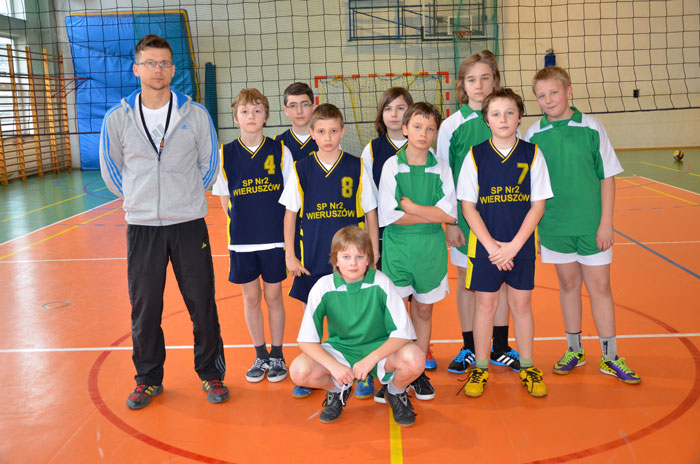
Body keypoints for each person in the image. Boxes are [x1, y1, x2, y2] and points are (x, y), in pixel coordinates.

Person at [99, 34, 228, 409]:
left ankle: (211, 373)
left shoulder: (195, 114)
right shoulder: (118, 117)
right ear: (136, 69)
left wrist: (185, 198)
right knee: (145, 308)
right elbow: (110, 168)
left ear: (173, 69)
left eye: (165, 63)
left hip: (188, 223)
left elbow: (210, 164)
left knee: (202, 303)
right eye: (151, 63)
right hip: (142, 227)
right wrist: (137, 199)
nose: (158, 69)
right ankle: (147, 379)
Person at [525, 66, 641, 384]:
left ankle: (610, 356)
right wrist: (535, 230)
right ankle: (574, 349)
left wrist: (606, 223)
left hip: (591, 226)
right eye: (541, 96)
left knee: (600, 287)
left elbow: (607, 178)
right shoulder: (533, 134)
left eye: (554, 92)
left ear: (569, 91)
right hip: (554, 226)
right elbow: (531, 187)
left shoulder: (591, 127)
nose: (548, 100)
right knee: (567, 286)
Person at [457, 88, 553, 398]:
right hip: (485, 248)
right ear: (486, 120)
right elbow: (468, 207)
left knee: (521, 305)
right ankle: (480, 367)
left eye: (510, 112)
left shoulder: (533, 154)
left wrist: (512, 247)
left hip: (520, 246)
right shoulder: (475, 156)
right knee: (485, 306)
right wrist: (492, 247)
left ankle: (528, 366)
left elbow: (538, 206)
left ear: (520, 116)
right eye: (496, 114)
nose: (503, 119)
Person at [279, 103, 379, 398]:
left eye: (333, 131)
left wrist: (373, 252)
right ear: (311, 133)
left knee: (355, 316)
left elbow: (371, 213)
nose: (328, 137)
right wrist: (290, 255)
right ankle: (316, 368)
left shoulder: (356, 166)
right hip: (311, 257)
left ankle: (362, 372)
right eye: (321, 131)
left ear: (343, 131)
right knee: (312, 317)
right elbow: (290, 215)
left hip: (351, 259)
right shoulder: (301, 169)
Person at [436, 50, 520, 375]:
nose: (479, 85)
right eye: (472, 79)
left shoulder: (505, 118)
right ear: (462, 85)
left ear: (495, 81)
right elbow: (443, 177)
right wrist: (450, 222)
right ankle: (470, 347)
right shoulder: (451, 126)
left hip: (503, 218)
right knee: (466, 282)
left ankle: (499, 347)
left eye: (486, 78)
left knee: (501, 283)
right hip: (465, 221)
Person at [289, 226, 424, 426]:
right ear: (335, 260)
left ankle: (395, 392)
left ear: (368, 259)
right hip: (341, 350)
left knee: (415, 358)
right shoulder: (323, 287)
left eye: (360, 257)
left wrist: (371, 359)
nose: (353, 263)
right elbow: (306, 341)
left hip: (379, 349)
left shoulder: (381, 283)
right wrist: (334, 366)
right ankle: (338, 390)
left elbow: (403, 334)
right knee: (299, 371)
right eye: (346, 257)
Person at [211, 88, 294, 384]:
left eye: (257, 110)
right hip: (242, 241)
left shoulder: (280, 151)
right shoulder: (224, 154)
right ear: (235, 118)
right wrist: (240, 221)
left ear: (266, 117)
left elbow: (290, 197)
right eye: (245, 111)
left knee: (273, 296)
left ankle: (277, 354)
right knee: (250, 298)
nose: (251, 116)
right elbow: (224, 197)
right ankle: (260, 354)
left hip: (273, 238)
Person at [377, 102, 457, 402]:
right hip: (398, 249)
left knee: (423, 311)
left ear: (435, 133)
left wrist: (411, 207)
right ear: (405, 129)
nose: (424, 133)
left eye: (430, 128)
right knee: (398, 315)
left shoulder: (442, 168)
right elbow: (390, 215)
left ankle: (418, 370)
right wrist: (430, 213)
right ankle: (395, 372)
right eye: (418, 127)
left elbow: (449, 215)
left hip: (430, 250)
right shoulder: (392, 166)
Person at [275, 82, 318, 162]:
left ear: (313, 107)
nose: (299, 111)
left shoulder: (327, 139)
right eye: (293, 106)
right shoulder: (278, 143)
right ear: (286, 110)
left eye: (305, 105)